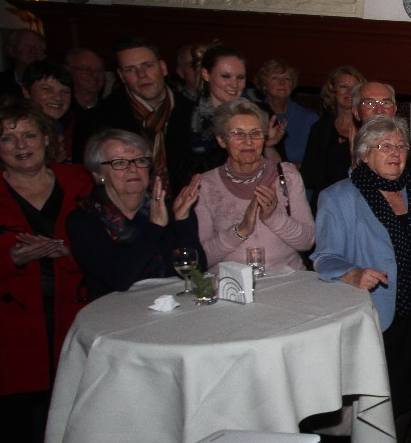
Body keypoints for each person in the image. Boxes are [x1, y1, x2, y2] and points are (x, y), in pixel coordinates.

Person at [312, 115, 411, 443]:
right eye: (384, 146)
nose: (395, 153)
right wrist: (353, 273)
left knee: (410, 393)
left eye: (400, 146)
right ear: (363, 154)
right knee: (372, 397)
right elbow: (324, 258)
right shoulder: (339, 197)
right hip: (371, 315)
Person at [0, 98, 91, 443]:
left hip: (72, 316)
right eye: (7, 137)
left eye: (29, 134)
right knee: (9, 432)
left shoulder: (79, 179)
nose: (21, 144)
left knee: (72, 423)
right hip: (8, 329)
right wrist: (9, 258)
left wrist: (73, 251)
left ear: (48, 139)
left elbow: (110, 238)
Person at [67, 129, 203, 299]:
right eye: (119, 162)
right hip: (114, 309)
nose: (133, 168)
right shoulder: (83, 220)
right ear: (99, 174)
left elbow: (198, 271)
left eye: (140, 161)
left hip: (171, 303)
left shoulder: (168, 208)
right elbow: (119, 279)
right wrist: (154, 227)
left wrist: (182, 220)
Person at [194, 100, 314, 271]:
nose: (248, 142)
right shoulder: (206, 185)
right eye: (238, 134)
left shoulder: (287, 175)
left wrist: (273, 217)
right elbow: (201, 258)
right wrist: (240, 230)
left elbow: (308, 242)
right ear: (221, 140)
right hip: (231, 283)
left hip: (286, 280)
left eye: (256, 133)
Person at [78, 36, 196, 195]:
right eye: (130, 69)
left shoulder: (194, 112)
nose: (141, 75)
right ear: (121, 76)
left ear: (163, 68)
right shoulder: (98, 120)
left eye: (148, 66)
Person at [188, 45, 283, 177]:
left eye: (240, 77)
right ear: (206, 74)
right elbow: (180, 173)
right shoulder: (187, 115)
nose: (234, 84)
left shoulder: (261, 113)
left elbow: (281, 175)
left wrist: (267, 145)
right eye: (226, 76)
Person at [300, 64, 365, 208]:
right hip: (326, 202)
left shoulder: (367, 129)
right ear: (333, 90)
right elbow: (308, 176)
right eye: (343, 86)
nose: (350, 92)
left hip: (359, 201)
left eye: (355, 87)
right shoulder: (320, 128)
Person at [353, 81, 411, 180]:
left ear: (394, 110)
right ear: (356, 112)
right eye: (370, 103)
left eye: (385, 103)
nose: (379, 111)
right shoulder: (339, 154)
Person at [253, 58, 318, 165]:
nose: (282, 82)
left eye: (287, 79)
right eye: (275, 78)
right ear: (264, 84)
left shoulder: (310, 119)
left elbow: (317, 160)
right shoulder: (252, 115)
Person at [21, 61, 75, 161]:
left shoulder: (72, 125)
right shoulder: (14, 129)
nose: (58, 98)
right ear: (26, 92)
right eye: (47, 89)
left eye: (64, 92)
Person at [0, 29, 46, 104]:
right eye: (26, 46)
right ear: (11, 51)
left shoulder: (56, 82)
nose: (33, 51)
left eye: (38, 46)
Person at [64, 47, 107, 113]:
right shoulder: (60, 109)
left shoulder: (112, 109)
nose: (94, 75)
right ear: (68, 71)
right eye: (86, 69)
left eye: (99, 70)